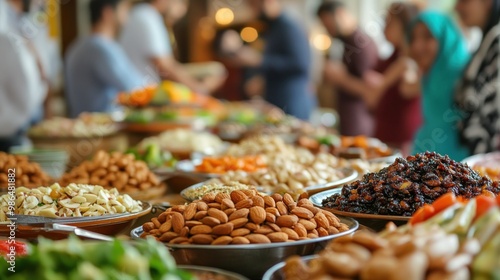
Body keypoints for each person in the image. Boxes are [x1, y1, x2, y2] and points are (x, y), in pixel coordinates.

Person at [232, 0, 315, 120]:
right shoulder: (273, 28)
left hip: (292, 102)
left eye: (253, 5)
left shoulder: (289, 27)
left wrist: (259, 60)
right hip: (277, 102)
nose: (252, 12)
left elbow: (300, 64)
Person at [408, 11, 470, 160]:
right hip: (425, 156)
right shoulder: (430, 72)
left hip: (458, 163)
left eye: (428, 37)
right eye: (413, 38)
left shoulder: (465, 72)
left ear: (445, 38)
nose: (417, 45)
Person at [362, 2, 422, 155]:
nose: (384, 27)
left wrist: (384, 81)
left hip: (403, 141)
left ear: (405, 25)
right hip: (382, 134)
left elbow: (408, 89)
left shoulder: (416, 61)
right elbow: (370, 100)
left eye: (389, 22)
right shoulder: (389, 60)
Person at [65, 0, 143, 118]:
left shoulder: (77, 46)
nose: (127, 17)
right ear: (107, 13)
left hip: (85, 125)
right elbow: (137, 89)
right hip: (102, 128)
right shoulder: (101, 48)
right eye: (124, 10)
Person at [120, 0, 212, 93]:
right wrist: (199, 89)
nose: (182, 8)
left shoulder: (141, 13)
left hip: (137, 92)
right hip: (139, 94)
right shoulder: (148, 16)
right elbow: (164, 65)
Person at [317, 0, 378, 136]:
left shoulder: (360, 43)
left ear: (340, 14)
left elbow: (371, 91)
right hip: (349, 119)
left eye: (328, 24)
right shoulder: (347, 42)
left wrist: (340, 79)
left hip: (359, 123)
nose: (328, 30)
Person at [0, 0, 46, 151]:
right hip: (7, 134)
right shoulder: (4, 22)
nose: (42, 2)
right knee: (11, 173)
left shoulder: (22, 22)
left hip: (21, 129)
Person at [455, 0, 500, 154]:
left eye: (464, 1)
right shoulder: (488, 39)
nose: (457, 7)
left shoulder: (497, 39)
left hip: (490, 158)